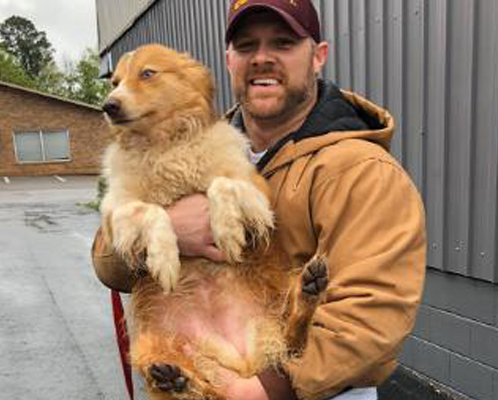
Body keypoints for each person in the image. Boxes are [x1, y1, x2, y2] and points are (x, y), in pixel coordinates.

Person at [93, 0, 427, 399]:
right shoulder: (188, 139)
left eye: (283, 43)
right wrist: (174, 231)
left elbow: (371, 318)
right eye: (247, 45)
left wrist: (253, 390)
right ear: (228, 59)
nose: (262, 58)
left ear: (318, 56)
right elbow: (109, 266)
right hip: (197, 357)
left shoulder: (361, 170)